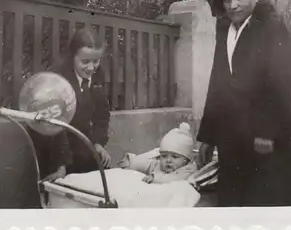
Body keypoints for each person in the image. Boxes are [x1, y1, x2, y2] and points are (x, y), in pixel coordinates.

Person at [197, 0, 291, 207]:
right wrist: (209, 136)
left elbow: (281, 82)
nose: (232, 5)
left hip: (267, 137)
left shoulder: (271, 27)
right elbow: (218, 86)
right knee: (236, 204)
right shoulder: (225, 32)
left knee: (269, 203)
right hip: (232, 138)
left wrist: (266, 132)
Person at [27, 26, 112, 181]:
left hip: (81, 143)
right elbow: (52, 124)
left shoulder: (98, 75)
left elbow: (102, 113)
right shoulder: (57, 77)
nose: (91, 67)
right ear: (73, 56)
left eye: (96, 61)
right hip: (53, 147)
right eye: (85, 62)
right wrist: (61, 165)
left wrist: (98, 143)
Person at [120, 123, 198, 184]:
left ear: (186, 159)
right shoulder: (158, 162)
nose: (168, 160)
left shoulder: (189, 169)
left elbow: (174, 178)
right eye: (164, 156)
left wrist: (154, 178)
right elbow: (146, 162)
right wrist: (131, 162)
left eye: (174, 157)